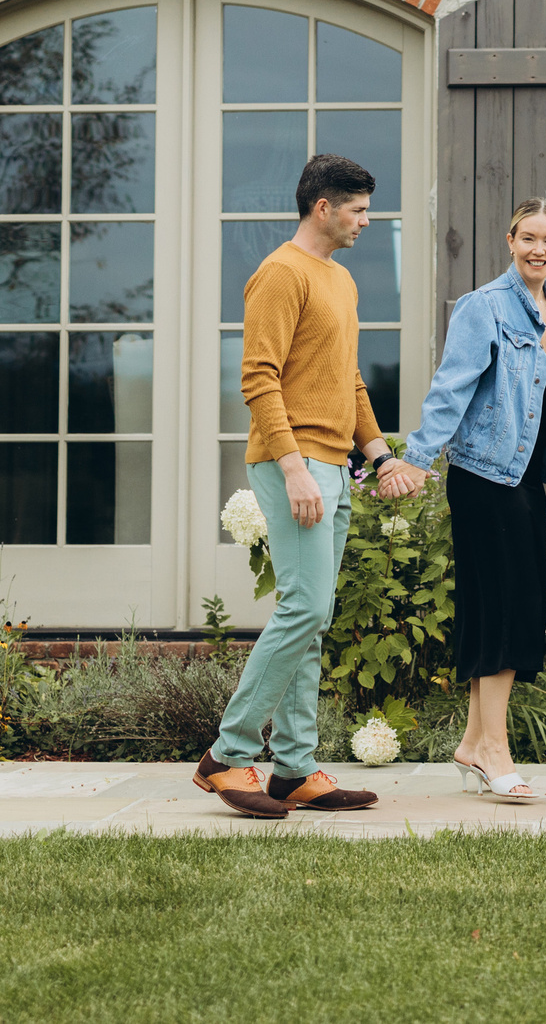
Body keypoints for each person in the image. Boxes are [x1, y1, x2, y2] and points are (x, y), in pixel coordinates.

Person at [385, 196, 546, 802]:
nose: (539, 249)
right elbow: (451, 387)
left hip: (526, 482)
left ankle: (472, 742)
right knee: (501, 608)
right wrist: (415, 457)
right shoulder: (482, 308)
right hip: (484, 477)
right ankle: (494, 750)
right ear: (510, 240)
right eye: (529, 237)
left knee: (516, 608)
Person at [194, 154, 391, 819]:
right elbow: (259, 376)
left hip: (334, 463)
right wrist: (294, 464)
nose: (367, 220)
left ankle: (295, 768)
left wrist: (379, 453)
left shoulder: (339, 279)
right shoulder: (280, 272)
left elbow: (349, 377)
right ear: (323, 207)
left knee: (315, 618)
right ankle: (227, 754)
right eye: (358, 209)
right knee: (303, 608)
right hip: (295, 465)